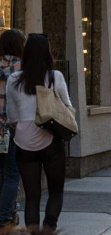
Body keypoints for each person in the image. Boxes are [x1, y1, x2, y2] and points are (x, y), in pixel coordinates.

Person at [6, 34, 72, 232]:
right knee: (56, 190)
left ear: (26, 53)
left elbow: (12, 115)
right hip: (50, 139)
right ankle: (49, 227)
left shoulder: (14, 79)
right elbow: (67, 106)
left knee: (32, 195)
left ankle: (34, 233)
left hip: (24, 141)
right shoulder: (54, 77)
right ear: (47, 53)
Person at [0, 30, 24, 229]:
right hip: (14, 127)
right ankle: (4, 216)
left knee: (2, 173)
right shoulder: (24, 69)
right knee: (12, 174)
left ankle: (9, 212)